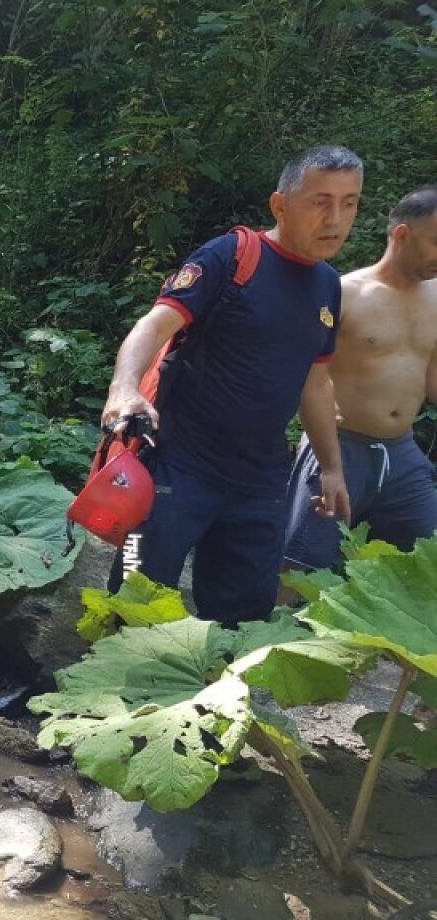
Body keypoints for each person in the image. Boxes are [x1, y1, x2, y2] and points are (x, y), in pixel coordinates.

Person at [100, 145, 363, 625]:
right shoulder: (233, 256)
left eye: (349, 203)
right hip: (177, 464)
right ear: (279, 205)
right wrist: (124, 388)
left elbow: (316, 383)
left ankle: (212, 697)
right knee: (134, 593)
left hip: (260, 482)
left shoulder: (328, 286)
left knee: (244, 618)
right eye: (320, 201)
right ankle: (107, 689)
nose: (335, 218)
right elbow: (154, 325)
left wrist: (331, 466)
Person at [285, 185, 437, 567]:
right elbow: (308, 382)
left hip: (403, 453)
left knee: (425, 565)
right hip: (339, 447)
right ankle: (274, 628)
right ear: (403, 234)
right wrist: (330, 464)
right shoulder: (345, 293)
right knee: (303, 568)